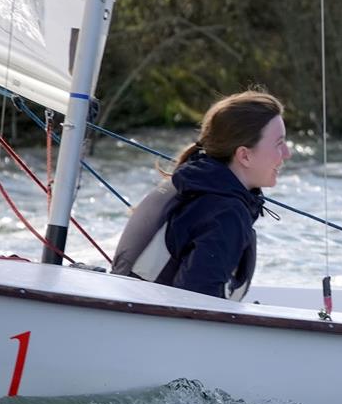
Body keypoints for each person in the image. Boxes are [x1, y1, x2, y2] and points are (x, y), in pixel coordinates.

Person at [112, 89, 291, 300]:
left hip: (131, 316)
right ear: (244, 155)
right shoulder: (224, 213)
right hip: (149, 326)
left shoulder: (186, 185)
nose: (287, 154)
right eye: (279, 144)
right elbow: (197, 308)